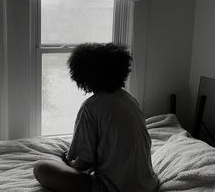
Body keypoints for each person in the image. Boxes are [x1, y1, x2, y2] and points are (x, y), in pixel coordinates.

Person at [33, 43, 159, 192]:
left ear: (81, 75)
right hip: (149, 185)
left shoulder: (90, 107)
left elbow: (84, 163)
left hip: (114, 188)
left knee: (40, 168)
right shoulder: (129, 99)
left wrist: (68, 163)